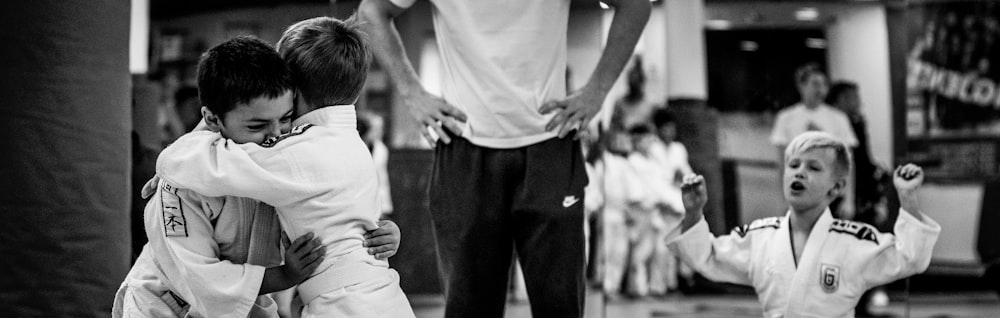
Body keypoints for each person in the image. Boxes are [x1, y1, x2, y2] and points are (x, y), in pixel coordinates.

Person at [359, 1, 651, 316]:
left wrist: (596, 92)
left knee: (560, 307)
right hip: (465, 148)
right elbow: (371, 10)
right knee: (469, 309)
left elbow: (635, 6)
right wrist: (411, 92)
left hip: (549, 144)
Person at [113, 36, 402, 318]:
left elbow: (323, 213)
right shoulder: (185, 180)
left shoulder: (277, 162)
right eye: (258, 125)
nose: (275, 135)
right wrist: (284, 276)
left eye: (286, 118)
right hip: (168, 305)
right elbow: (204, 283)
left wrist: (377, 234)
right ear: (212, 119)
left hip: (249, 302)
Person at [670, 132, 941, 317]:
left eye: (813, 168)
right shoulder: (760, 237)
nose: (799, 172)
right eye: (794, 165)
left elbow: (910, 257)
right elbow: (705, 256)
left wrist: (907, 198)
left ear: (836, 188)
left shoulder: (853, 242)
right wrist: (694, 213)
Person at [770, 63, 858, 217]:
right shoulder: (786, 118)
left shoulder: (838, 118)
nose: (820, 89)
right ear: (801, 86)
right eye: (815, 84)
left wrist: (849, 200)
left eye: (824, 84)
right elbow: (781, 162)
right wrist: (783, 199)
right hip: (799, 192)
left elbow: (848, 161)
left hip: (830, 194)